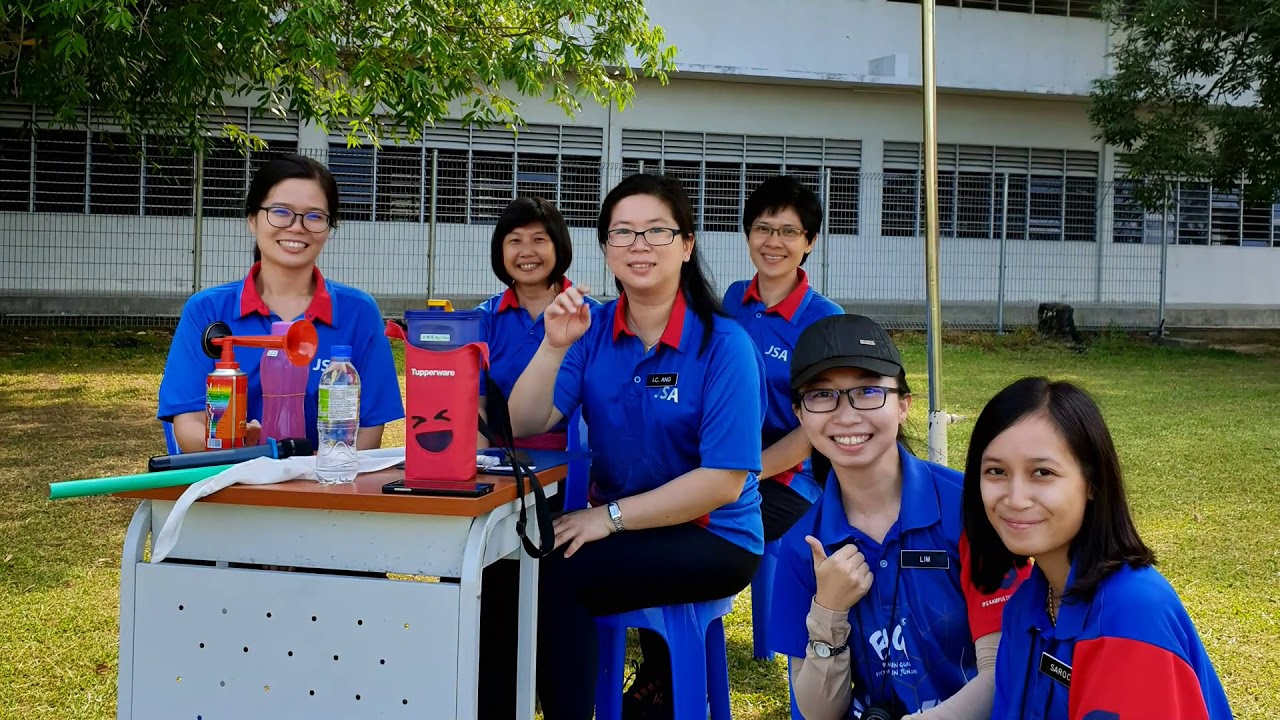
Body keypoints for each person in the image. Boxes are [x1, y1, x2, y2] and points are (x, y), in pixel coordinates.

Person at [506, 172, 767, 719]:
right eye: (622, 233)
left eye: (656, 232)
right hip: (625, 527)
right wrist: (554, 348)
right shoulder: (592, 328)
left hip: (714, 536)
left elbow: (722, 481)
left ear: (687, 245)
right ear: (605, 248)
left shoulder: (725, 345)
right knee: (508, 566)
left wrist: (609, 519)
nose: (639, 245)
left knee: (561, 573)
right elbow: (525, 421)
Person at [769, 314, 1028, 720]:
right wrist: (828, 613)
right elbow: (818, 712)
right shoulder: (804, 545)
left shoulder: (972, 509)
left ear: (904, 405)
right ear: (800, 414)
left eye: (868, 391)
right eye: (822, 395)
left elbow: (1006, 672)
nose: (846, 414)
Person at [963, 377, 1234, 720]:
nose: (1015, 499)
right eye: (996, 471)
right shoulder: (1025, 607)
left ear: (1092, 483)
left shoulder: (1132, 614)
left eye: (1042, 472)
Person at [157, 153, 403, 453]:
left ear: (328, 229)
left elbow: (367, 437)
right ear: (252, 219)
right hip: (232, 488)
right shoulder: (207, 312)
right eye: (281, 212)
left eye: (314, 216)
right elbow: (188, 428)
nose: (297, 227)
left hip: (323, 488)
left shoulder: (358, 313)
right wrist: (230, 446)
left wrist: (310, 468)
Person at [722, 175, 844, 542]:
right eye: (763, 228)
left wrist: (745, 474)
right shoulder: (733, 300)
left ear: (810, 241)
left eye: (789, 232)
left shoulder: (825, 320)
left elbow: (816, 426)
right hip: (731, 464)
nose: (774, 242)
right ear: (748, 235)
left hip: (793, 479)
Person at [474, 196, 598, 449]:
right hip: (500, 462)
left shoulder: (591, 318)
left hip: (575, 464)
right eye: (515, 240)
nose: (526, 252)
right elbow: (474, 408)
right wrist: (482, 476)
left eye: (539, 239)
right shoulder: (482, 320)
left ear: (559, 246)